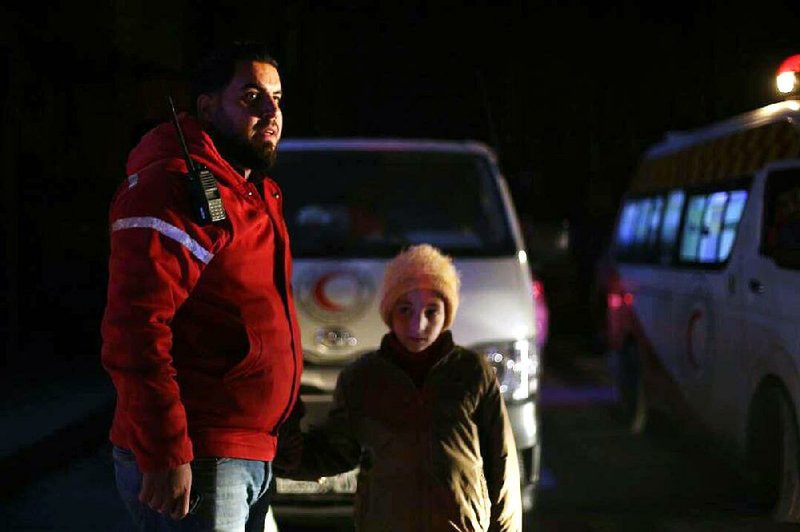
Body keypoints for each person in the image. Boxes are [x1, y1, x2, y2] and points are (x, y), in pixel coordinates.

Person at [100, 42, 302, 531]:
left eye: (277, 97)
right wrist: (166, 451)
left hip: (244, 451)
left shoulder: (253, 193)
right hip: (202, 456)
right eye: (252, 97)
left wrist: (286, 425)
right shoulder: (176, 188)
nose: (271, 112)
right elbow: (136, 328)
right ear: (208, 107)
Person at [278, 244, 522, 531]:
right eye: (405, 309)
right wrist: (289, 449)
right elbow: (336, 452)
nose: (418, 324)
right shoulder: (361, 379)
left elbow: (501, 464)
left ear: (447, 313)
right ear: (390, 312)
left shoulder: (472, 373)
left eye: (432, 311)